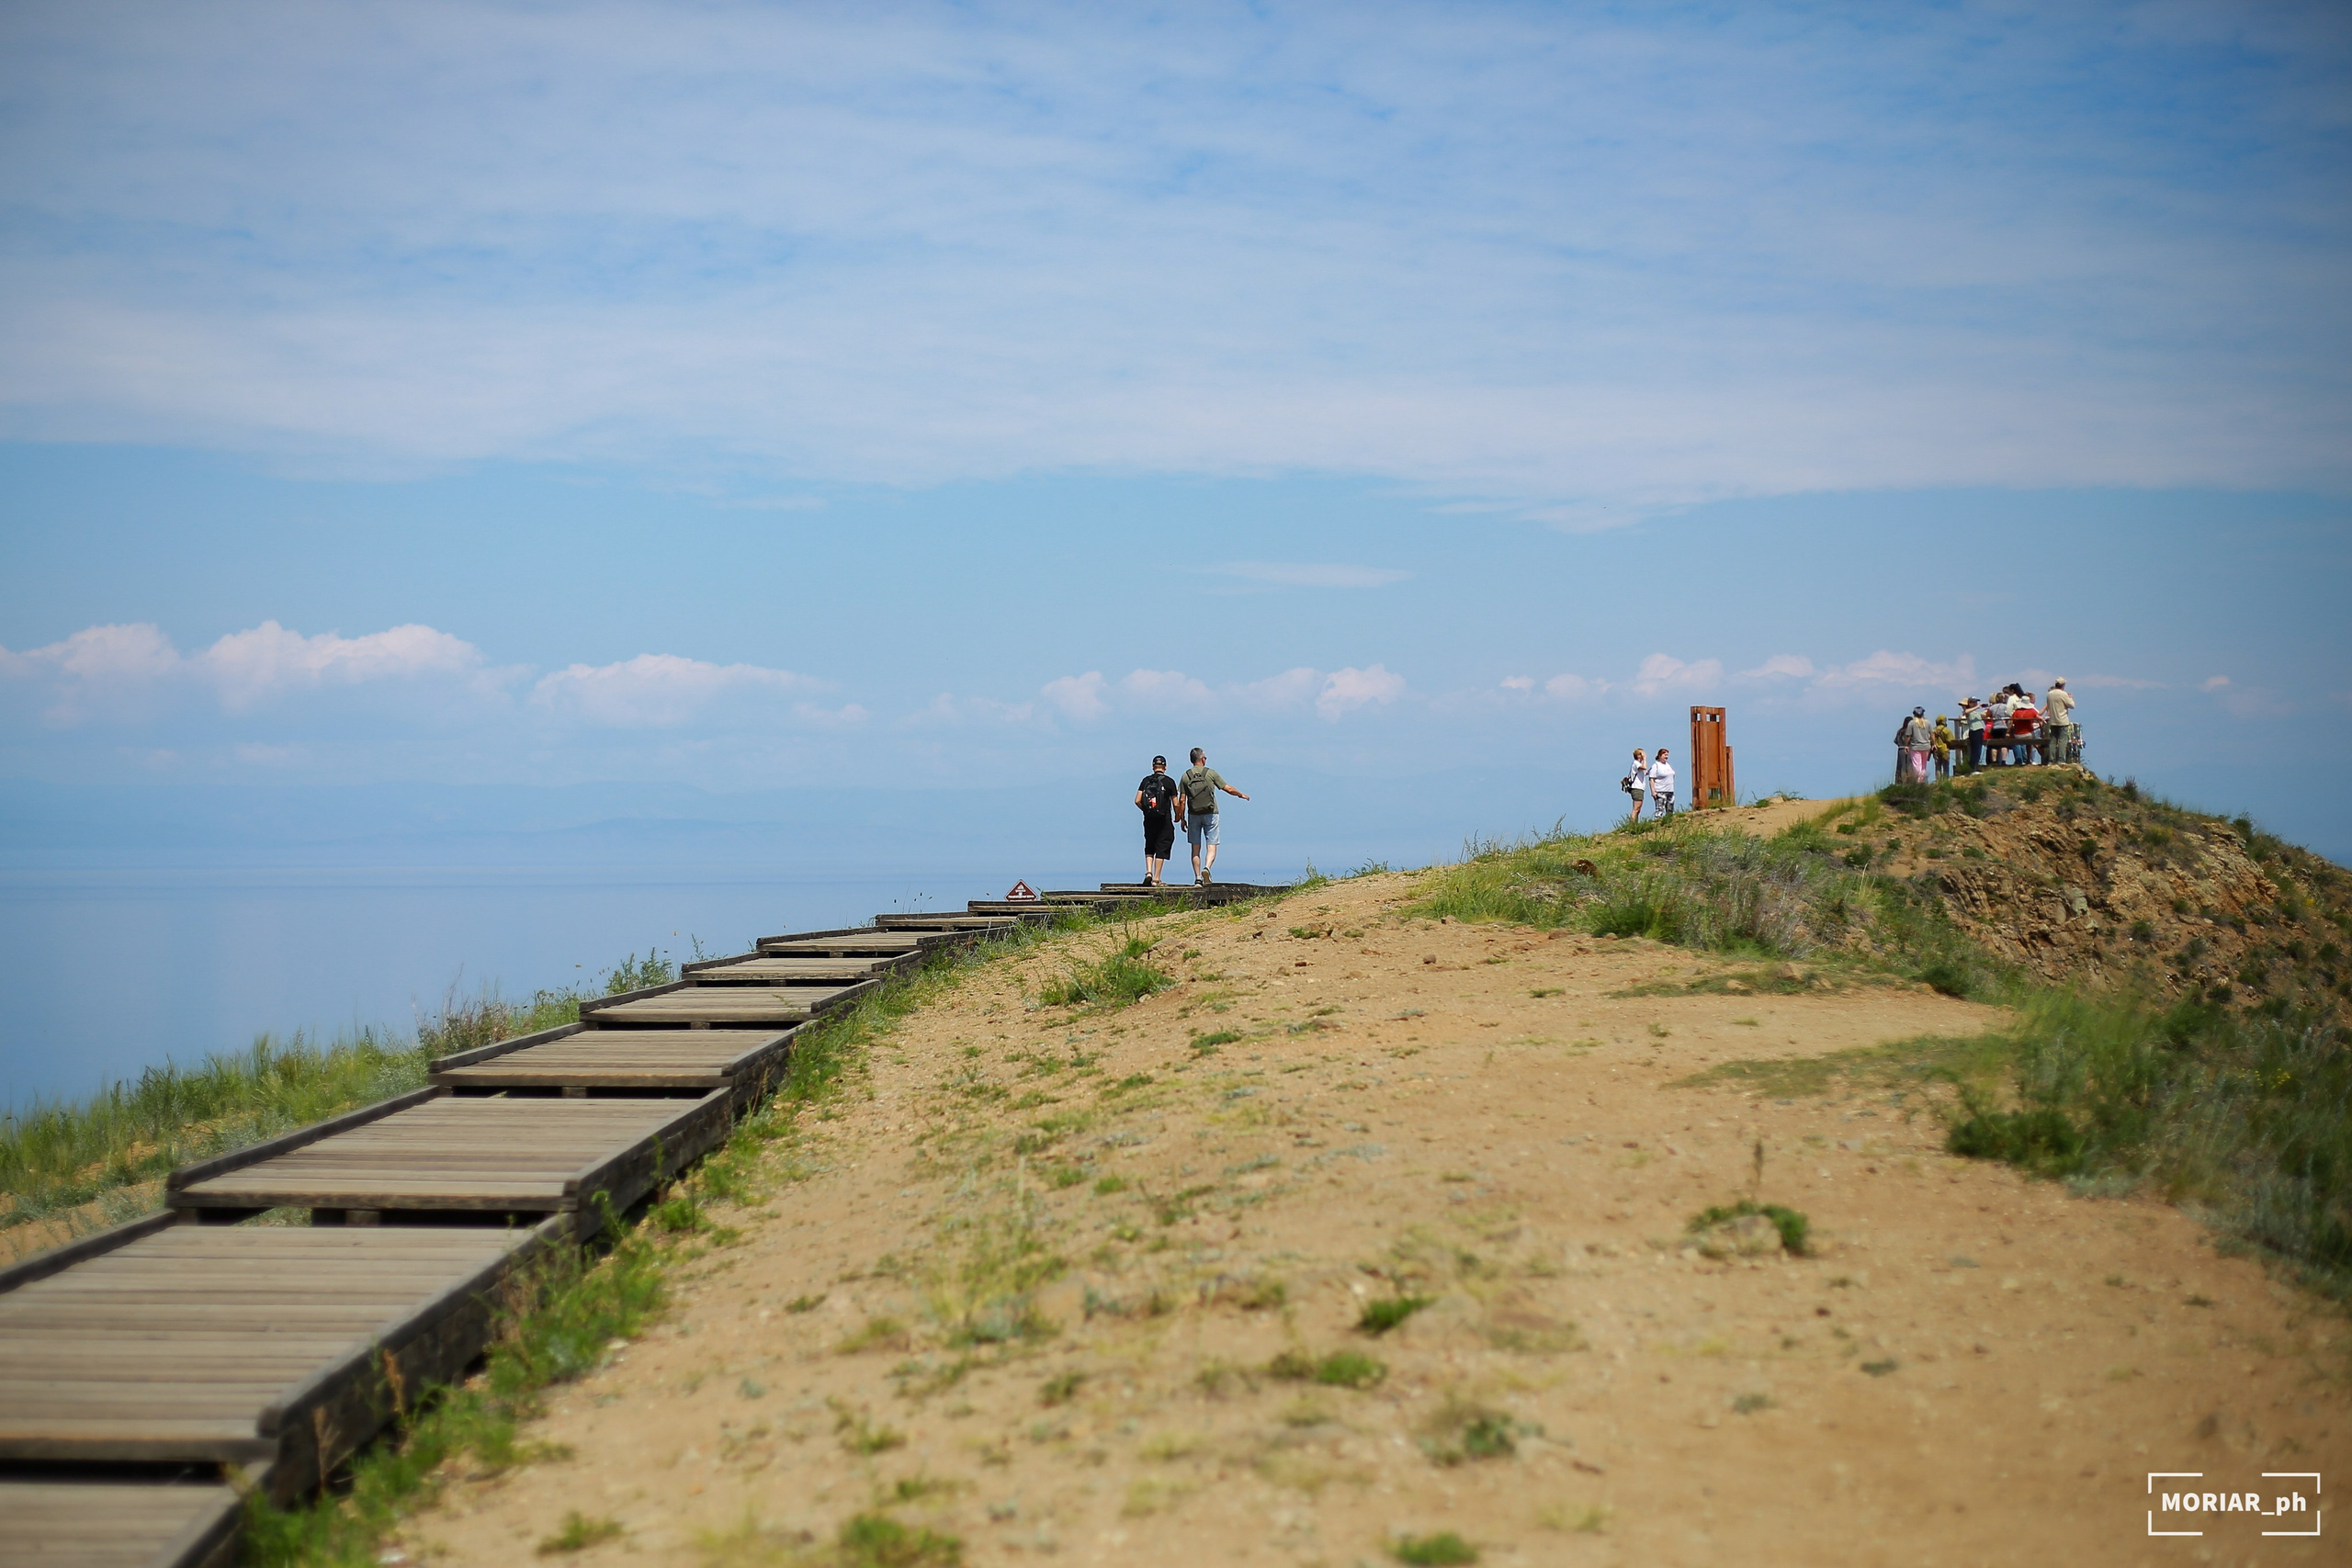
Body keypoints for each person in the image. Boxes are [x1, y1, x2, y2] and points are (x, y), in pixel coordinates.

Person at [1179, 747, 1250, 886]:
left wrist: (1181, 818)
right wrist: (1241, 794)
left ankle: (1198, 877)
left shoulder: (1185, 776)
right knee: (1211, 845)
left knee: (1195, 848)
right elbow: (1227, 788)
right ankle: (1207, 868)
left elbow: (1182, 800)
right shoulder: (1210, 773)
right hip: (1211, 813)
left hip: (1193, 814)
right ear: (1203, 759)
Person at [1135, 755, 1180, 886]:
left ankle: (1148, 872)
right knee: (1163, 845)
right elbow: (1175, 803)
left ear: (1153, 767)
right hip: (1164, 818)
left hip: (1148, 818)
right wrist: (1178, 815)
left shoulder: (1145, 781)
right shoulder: (1169, 782)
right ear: (1165, 767)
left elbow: (1137, 800)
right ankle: (1156, 879)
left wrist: (1146, 811)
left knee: (1150, 844)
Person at [1895, 705, 1933, 783]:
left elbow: (1908, 736)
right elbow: (1932, 735)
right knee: (1923, 766)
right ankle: (1922, 780)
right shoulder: (1928, 723)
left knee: (1916, 765)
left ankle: (1918, 782)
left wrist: (1906, 745)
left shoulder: (1912, 723)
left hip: (1915, 747)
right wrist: (1933, 744)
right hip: (1926, 746)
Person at [2043, 678, 2076, 764]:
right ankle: (2061, 759)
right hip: (2062, 720)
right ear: (2063, 685)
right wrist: (2071, 698)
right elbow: (2072, 705)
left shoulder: (2049, 694)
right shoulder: (2063, 694)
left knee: (2053, 741)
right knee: (2062, 741)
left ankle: (2051, 760)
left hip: (2053, 720)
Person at [2010, 688, 2041, 765]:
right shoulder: (2032, 711)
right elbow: (2040, 719)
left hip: (2018, 735)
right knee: (2030, 742)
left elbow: (2011, 723)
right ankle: (2028, 759)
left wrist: (2007, 732)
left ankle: (2022, 759)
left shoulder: (2016, 712)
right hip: (2029, 734)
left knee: (2026, 741)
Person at [1623, 748, 1650, 822]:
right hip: (1637, 788)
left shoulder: (1637, 764)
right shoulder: (1636, 763)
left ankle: (1635, 823)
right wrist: (1645, 759)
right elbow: (1644, 767)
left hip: (1639, 788)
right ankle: (1632, 824)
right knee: (1636, 808)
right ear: (1638, 755)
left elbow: (1643, 772)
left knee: (1638, 808)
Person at [1647, 747, 1677, 818]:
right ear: (1660, 756)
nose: (1666, 756)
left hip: (1670, 790)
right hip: (1660, 791)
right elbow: (1651, 779)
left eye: (1667, 755)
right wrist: (1653, 791)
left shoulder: (1668, 765)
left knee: (1670, 809)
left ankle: (1668, 822)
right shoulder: (1656, 766)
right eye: (1664, 755)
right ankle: (1657, 823)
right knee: (1660, 809)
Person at [1932, 714, 1954, 780]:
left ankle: (1938, 780)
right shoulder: (1946, 730)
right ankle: (1945, 780)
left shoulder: (1933, 730)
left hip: (1936, 750)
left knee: (1938, 766)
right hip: (1944, 749)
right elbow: (1951, 740)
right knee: (1945, 765)